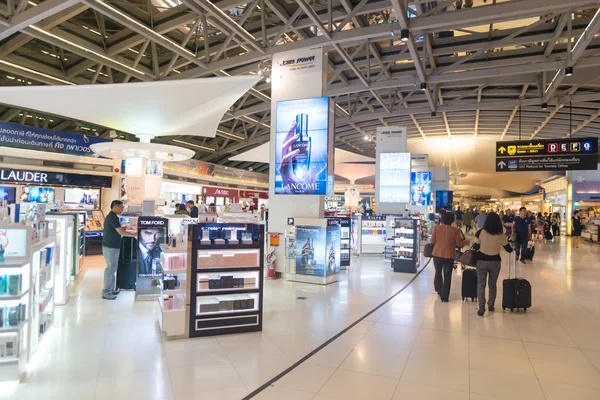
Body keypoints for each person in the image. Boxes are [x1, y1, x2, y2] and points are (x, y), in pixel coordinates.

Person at [472, 212, 513, 316]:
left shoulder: (480, 232)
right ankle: (491, 305)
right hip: (495, 262)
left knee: (481, 285)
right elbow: (508, 249)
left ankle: (481, 307)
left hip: (481, 261)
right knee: (492, 284)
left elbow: (475, 247)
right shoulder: (500, 234)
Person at [429, 212, 470, 302]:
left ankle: (438, 289)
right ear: (452, 220)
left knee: (438, 272)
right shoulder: (455, 230)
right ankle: (445, 296)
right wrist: (466, 242)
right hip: (449, 255)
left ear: (442, 219)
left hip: (437, 253)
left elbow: (432, 241)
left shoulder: (437, 228)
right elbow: (459, 243)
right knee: (447, 275)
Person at [102, 200, 136, 300]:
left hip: (112, 246)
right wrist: (134, 234)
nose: (122, 209)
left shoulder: (113, 217)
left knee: (112, 268)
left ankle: (111, 289)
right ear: (115, 207)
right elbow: (121, 232)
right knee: (110, 269)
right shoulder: (112, 217)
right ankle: (106, 291)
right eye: (121, 207)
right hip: (110, 246)